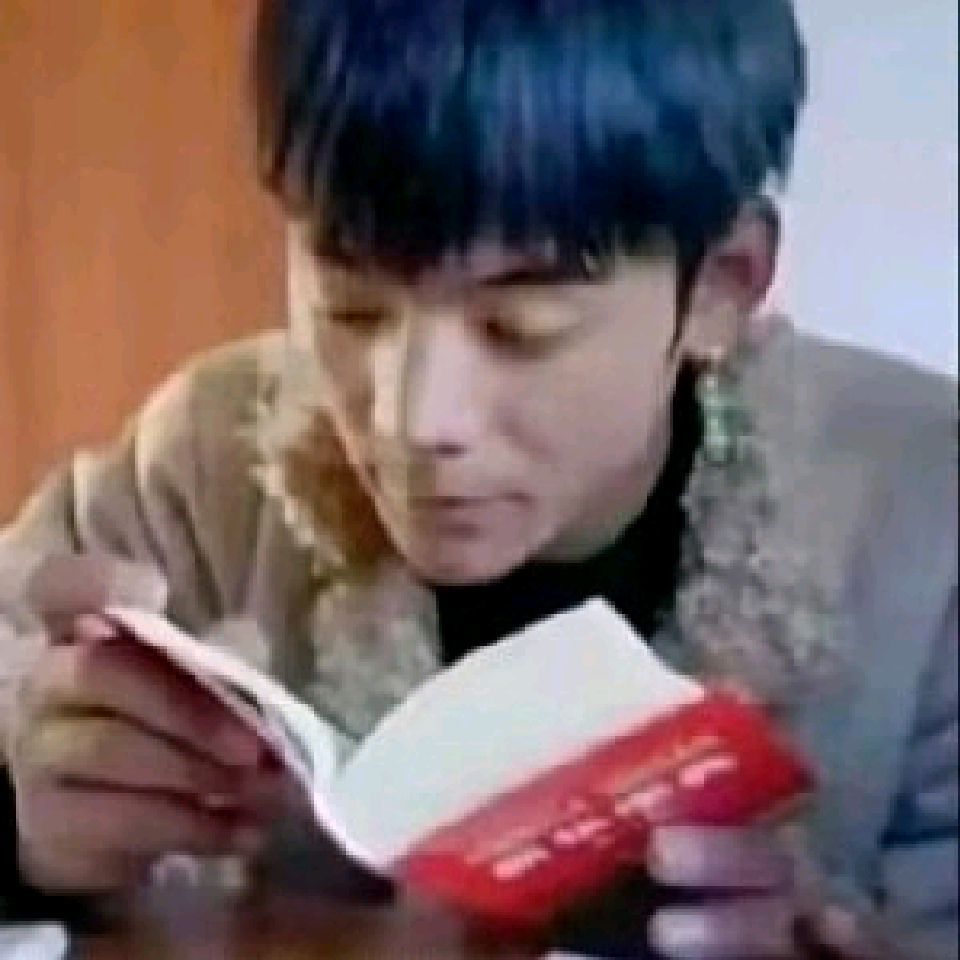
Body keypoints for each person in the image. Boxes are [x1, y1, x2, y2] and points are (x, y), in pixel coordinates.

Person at [1, 1, 956, 956]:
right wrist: (27, 833)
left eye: (519, 330)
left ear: (721, 286)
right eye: (353, 306)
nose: (413, 420)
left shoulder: (926, 515)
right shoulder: (206, 460)